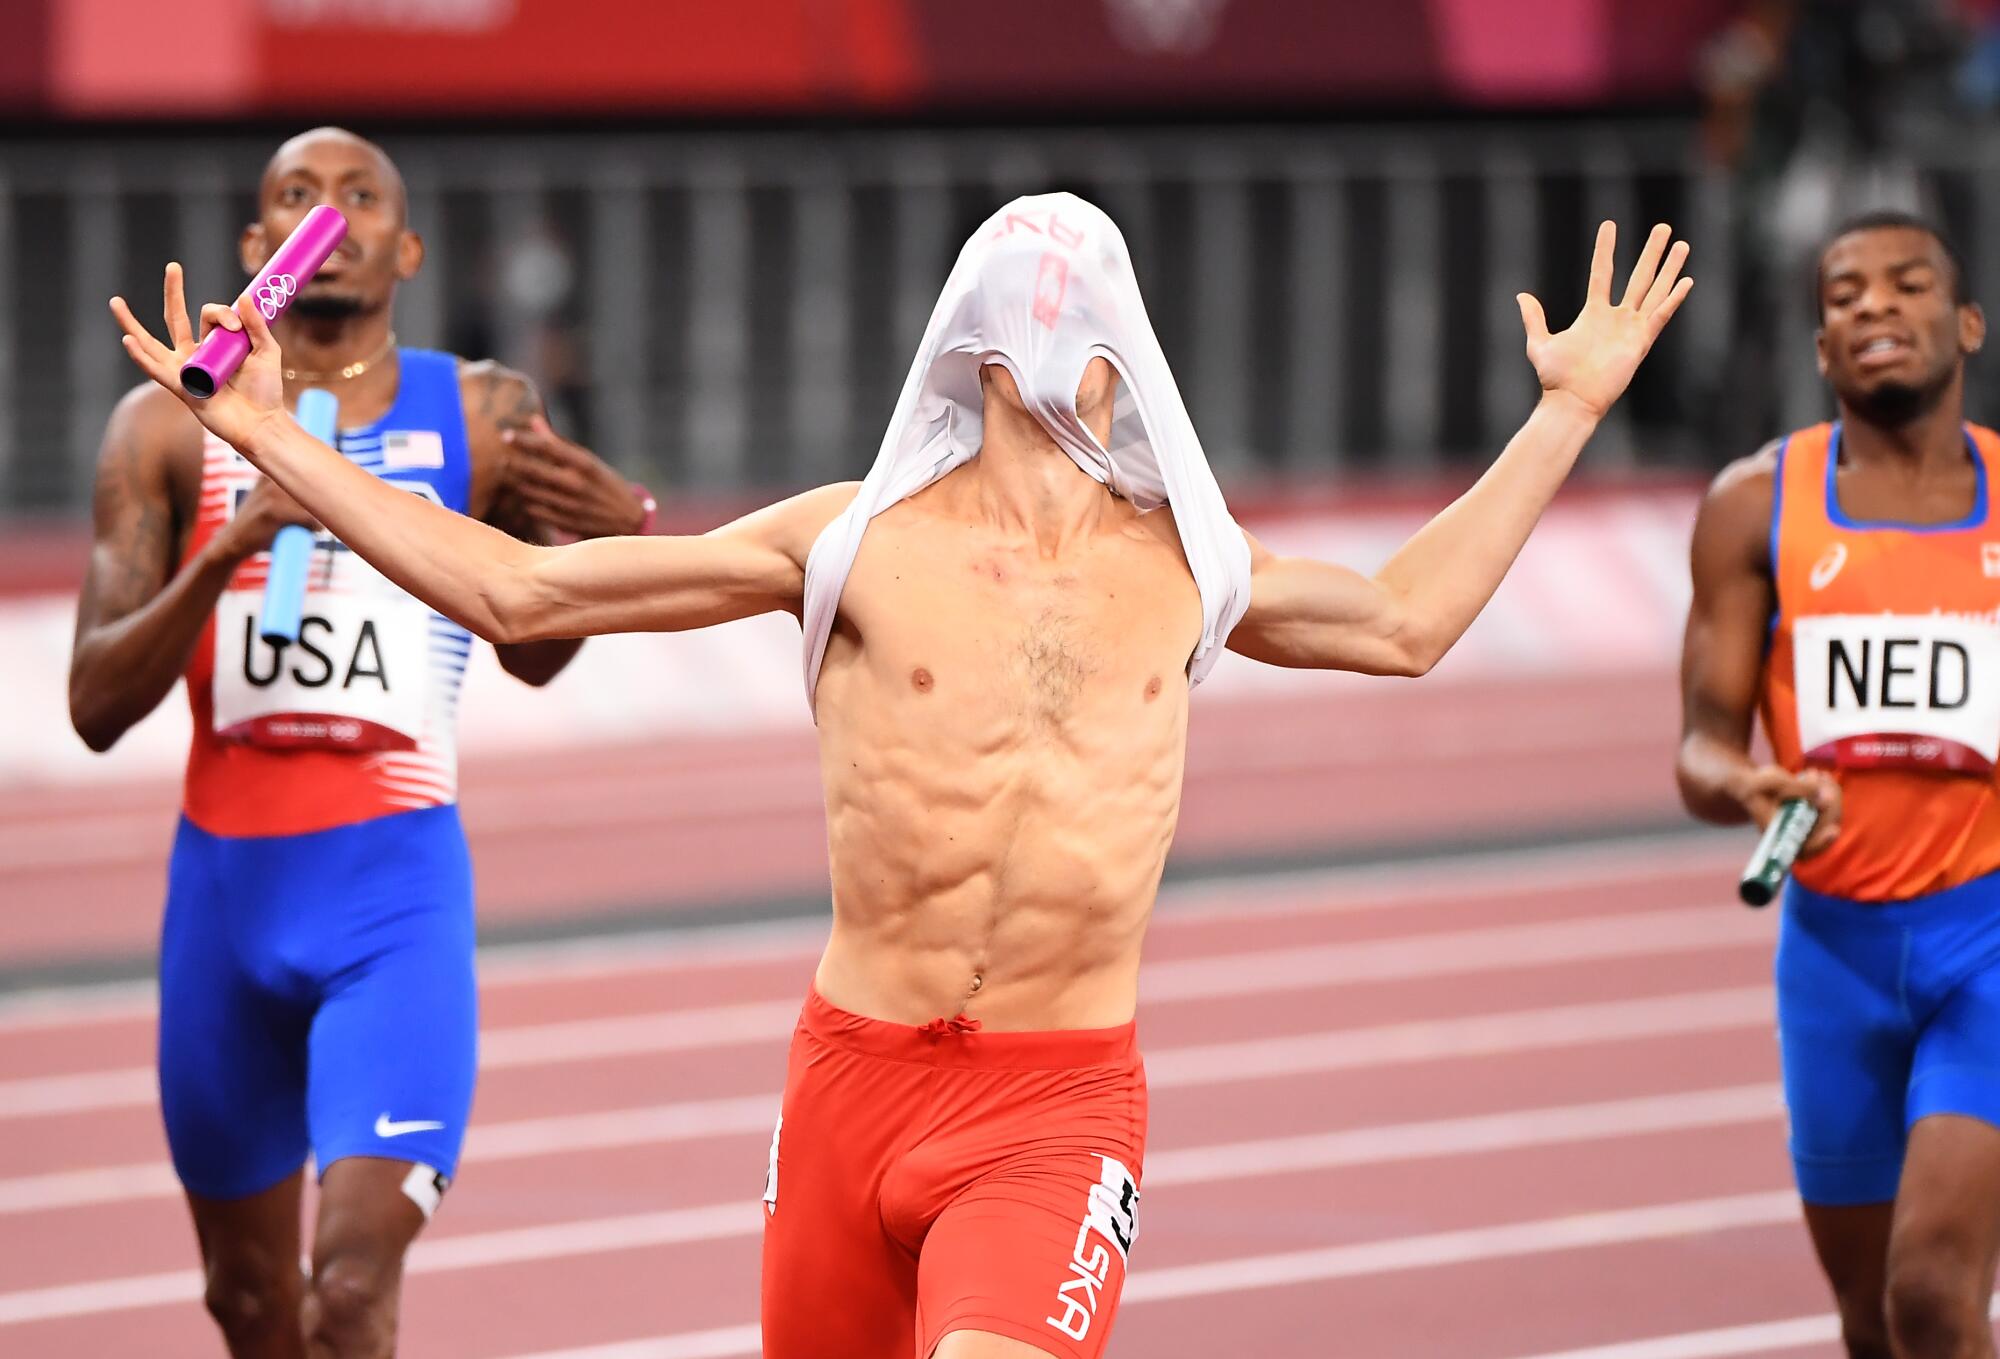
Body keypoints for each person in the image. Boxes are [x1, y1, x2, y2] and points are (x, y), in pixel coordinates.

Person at [113, 193, 1690, 1359]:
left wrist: (1563, 413)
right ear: (991, 361)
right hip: (853, 1081)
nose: (1078, 335)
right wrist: (263, 432)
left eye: (1100, 313)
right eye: (1042, 306)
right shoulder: (852, 540)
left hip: (1056, 1105)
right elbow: (518, 592)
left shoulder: (1188, 566)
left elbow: (1408, 619)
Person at [70, 127, 650, 1359]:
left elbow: (536, 653)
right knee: (248, 1306)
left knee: (346, 1289)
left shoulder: (485, 415)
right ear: (255, 245)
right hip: (224, 906)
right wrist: (224, 552)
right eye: (293, 194)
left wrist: (605, 541)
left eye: (358, 197)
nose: (324, 214)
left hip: (391, 903)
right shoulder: (165, 426)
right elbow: (94, 702)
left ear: (405, 247)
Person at [1678, 210, 2000, 1359]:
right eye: (1844, 295)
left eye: (1907, 284)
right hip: (1830, 957)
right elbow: (1699, 745)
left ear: (1963, 324)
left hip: (1985, 940)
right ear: (1821, 352)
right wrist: (1743, 787)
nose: (1874, 306)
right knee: (1868, 1325)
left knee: (1929, 1293)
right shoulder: (1750, 508)